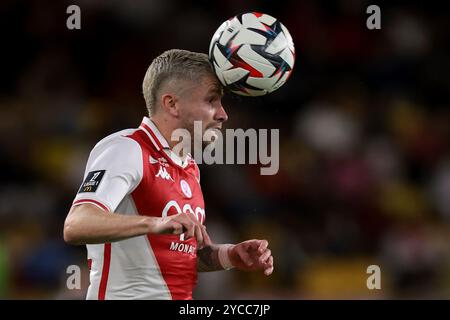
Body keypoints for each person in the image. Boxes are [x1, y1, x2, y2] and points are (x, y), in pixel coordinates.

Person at [63, 49, 274, 300]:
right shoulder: (128, 149)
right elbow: (76, 224)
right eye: (211, 100)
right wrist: (155, 222)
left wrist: (229, 255)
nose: (222, 113)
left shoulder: (189, 168)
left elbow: (176, 258)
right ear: (172, 104)